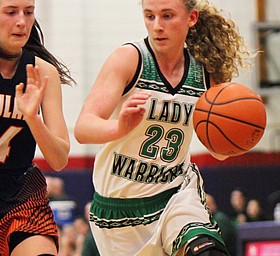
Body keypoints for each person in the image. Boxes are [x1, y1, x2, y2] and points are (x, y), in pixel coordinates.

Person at [74, 0, 252, 255]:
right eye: (150, 16)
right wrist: (120, 127)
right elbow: (83, 128)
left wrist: (237, 136)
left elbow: (220, 152)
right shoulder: (129, 59)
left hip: (175, 196)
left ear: (191, 18)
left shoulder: (205, 72)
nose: (157, 26)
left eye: (167, 16)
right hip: (119, 209)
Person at [0, 0, 74, 255]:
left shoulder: (44, 72)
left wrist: (33, 118)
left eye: (28, 12)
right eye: (11, 12)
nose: (22, 21)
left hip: (18, 191)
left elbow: (58, 159)